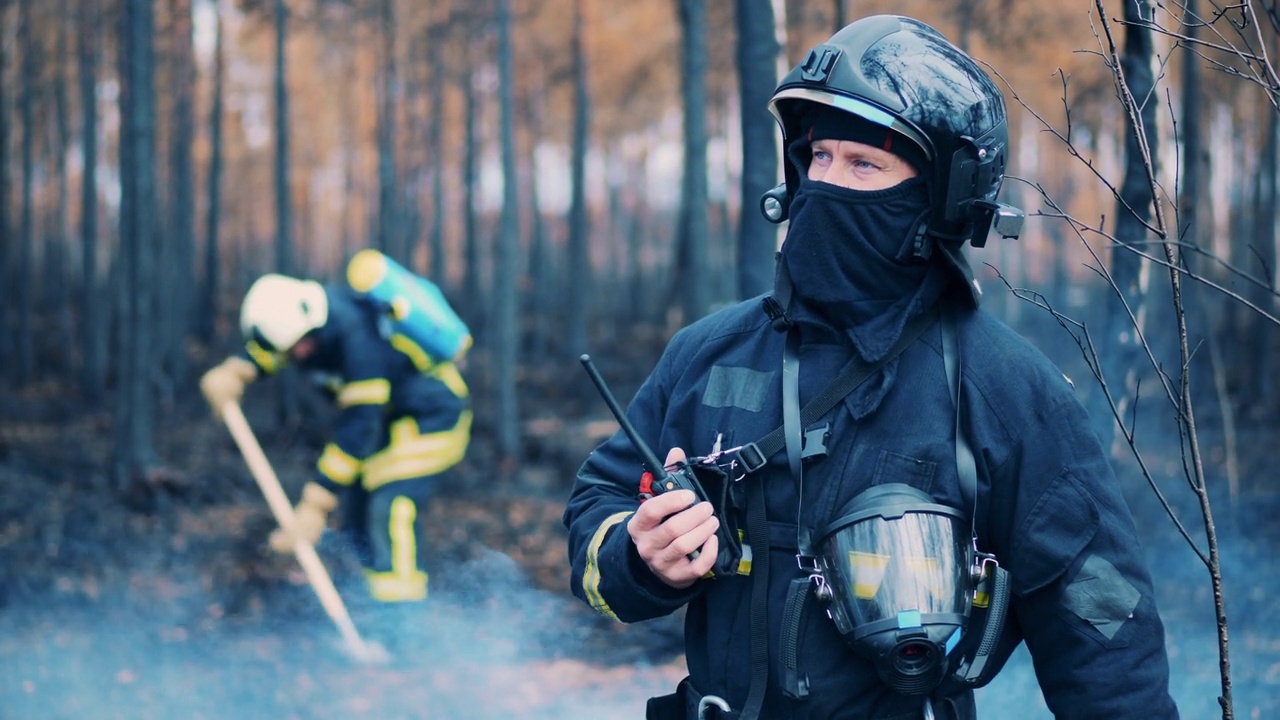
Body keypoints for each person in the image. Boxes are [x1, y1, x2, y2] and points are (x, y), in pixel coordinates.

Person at [563, 14, 1178, 720]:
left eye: (864, 164)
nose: (825, 184)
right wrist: (637, 557)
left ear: (940, 198)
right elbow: (598, 510)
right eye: (819, 156)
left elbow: (1105, 641)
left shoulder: (1008, 393)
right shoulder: (709, 354)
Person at [200, 260, 472, 607]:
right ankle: (369, 606)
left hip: (434, 419)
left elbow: (360, 427)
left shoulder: (358, 342)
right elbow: (276, 349)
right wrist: (239, 369)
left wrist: (316, 502)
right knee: (357, 506)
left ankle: (403, 617)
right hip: (393, 422)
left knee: (389, 505)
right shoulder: (310, 328)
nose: (294, 357)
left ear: (309, 332)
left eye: (296, 347)